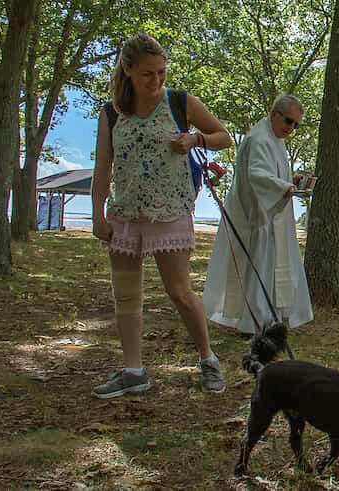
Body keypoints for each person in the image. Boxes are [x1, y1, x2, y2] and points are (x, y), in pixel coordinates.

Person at [91, 33, 233, 398]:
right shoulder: (111, 114)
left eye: (161, 73)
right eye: (147, 75)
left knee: (180, 292)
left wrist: (194, 140)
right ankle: (133, 371)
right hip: (125, 214)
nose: (156, 82)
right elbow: (102, 169)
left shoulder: (180, 102)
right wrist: (98, 214)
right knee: (126, 296)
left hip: (169, 210)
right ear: (128, 71)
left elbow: (223, 136)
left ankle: (207, 359)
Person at [203, 94, 313, 334]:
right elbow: (256, 176)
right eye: (288, 121)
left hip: (271, 214)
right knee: (257, 266)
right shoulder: (259, 139)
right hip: (256, 215)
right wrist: (283, 187)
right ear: (274, 114)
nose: (291, 128)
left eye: (296, 124)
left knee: (269, 266)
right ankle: (253, 322)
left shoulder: (274, 137)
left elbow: (270, 172)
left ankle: (267, 316)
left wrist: (288, 181)